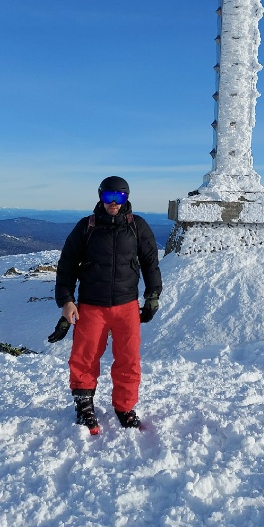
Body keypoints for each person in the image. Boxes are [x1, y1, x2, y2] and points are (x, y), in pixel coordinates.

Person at [50, 176, 162, 433]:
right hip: (91, 305)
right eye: (108, 197)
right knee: (84, 358)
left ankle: (125, 407)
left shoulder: (138, 226)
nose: (113, 203)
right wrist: (66, 301)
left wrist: (153, 294)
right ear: (100, 196)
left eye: (119, 197)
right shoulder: (86, 227)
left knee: (128, 359)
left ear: (127, 197)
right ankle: (84, 406)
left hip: (126, 305)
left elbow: (150, 263)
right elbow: (66, 265)